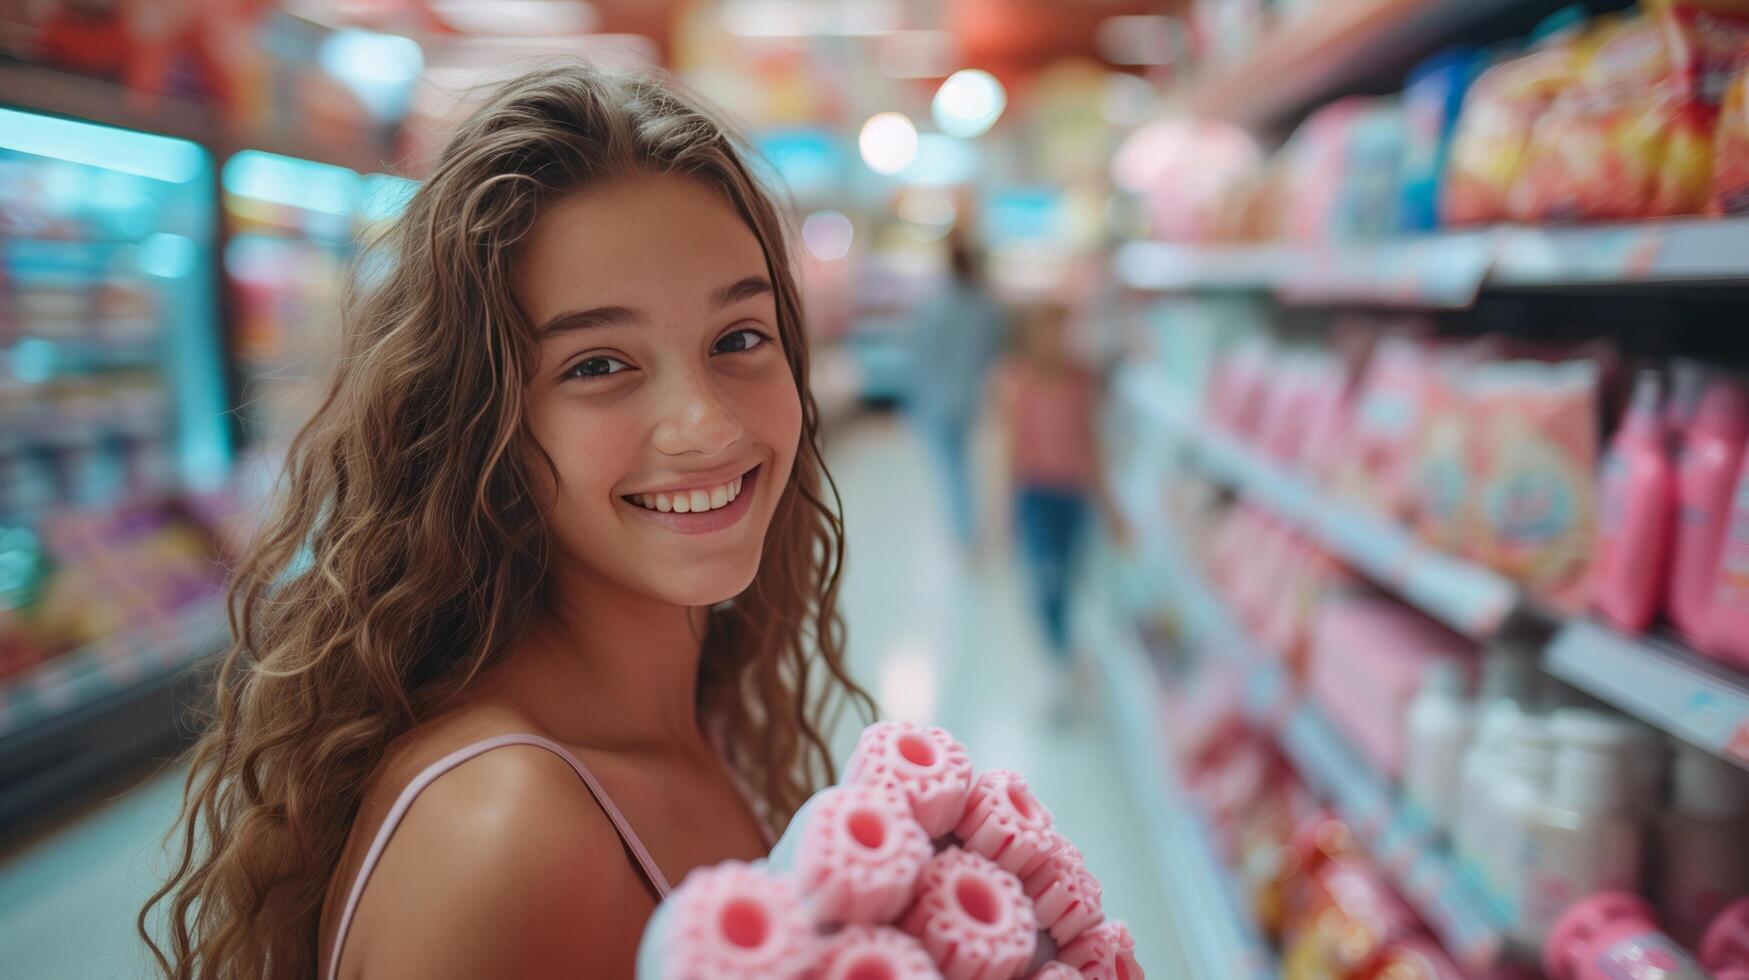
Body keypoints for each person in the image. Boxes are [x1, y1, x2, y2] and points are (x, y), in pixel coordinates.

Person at [140, 64, 875, 979]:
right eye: (598, 365)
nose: (710, 426)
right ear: (476, 423)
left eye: (739, 339)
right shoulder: (506, 830)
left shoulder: (705, 707)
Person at [990, 301, 1126, 696]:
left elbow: (1092, 444)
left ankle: (1063, 653)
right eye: (1051, 330)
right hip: (1034, 494)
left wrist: (1111, 508)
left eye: (1065, 329)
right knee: (1044, 578)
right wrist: (1001, 512)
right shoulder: (1015, 381)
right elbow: (1008, 448)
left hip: (1074, 495)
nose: (1060, 339)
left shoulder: (1081, 382)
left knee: (1067, 579)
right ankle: (1056, 658)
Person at [908, 231, 1006, 553]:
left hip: (936, 400)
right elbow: (994, 353)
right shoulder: (986, 307)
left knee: (951, 470)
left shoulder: (934, 306)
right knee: (965, 467)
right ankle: (969, 530)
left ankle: (963, 533)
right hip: (970, 399)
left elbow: (919, 355)